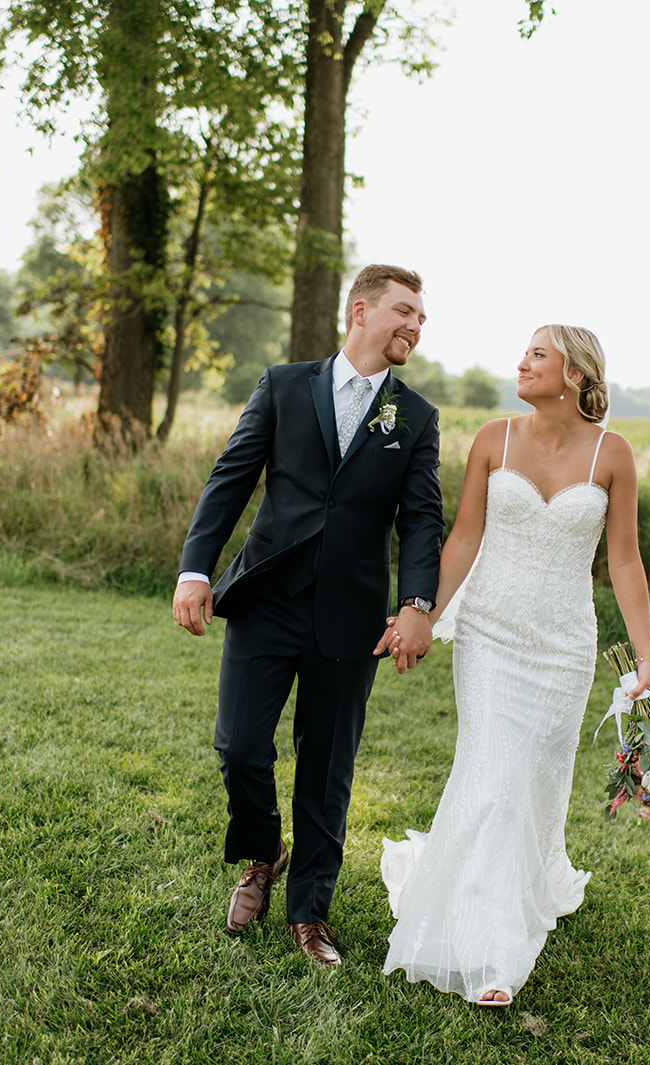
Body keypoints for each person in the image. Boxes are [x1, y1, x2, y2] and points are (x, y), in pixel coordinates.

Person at [375, 324, 650, 1006]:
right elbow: (464, 535)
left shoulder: (612, 455)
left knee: (533, 780)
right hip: (491, 636)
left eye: (538, 353)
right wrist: (424, 613)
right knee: (494, 773)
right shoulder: (493, 438)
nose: (522, 362)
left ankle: (526, 882)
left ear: (575, 375)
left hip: (563, 646)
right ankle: (491, 953)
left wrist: (646, 655)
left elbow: (623, 560)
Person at [172, 265, 444, 968]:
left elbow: (419, 521)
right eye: (404, 312)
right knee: (238, 747)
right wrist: (196, 568)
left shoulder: (415, 417)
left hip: (351, 619)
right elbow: (231, 477)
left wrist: (416, 602)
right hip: (267, 599)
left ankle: (309, 912)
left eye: (422, 318)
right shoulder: (285, 385)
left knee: (326, 769)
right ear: (361, 310)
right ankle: (262, 853)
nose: (415, 327)